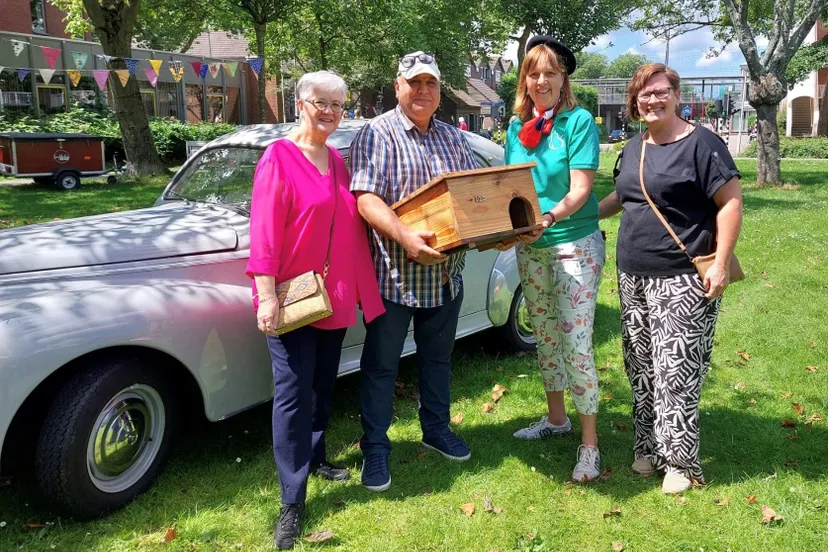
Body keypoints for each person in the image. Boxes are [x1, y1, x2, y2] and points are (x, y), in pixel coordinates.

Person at [246, 70, 384, 549]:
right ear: (299, 104)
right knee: (292, 394)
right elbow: (264, 233)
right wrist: (265, 295)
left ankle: (319, 454)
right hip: (290, 298)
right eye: (320, 102)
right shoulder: (278, 158)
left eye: (337, 105)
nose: (329, 111)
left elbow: (350, 226)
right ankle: (292, 499)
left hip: (332, 295)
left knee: (323, 384)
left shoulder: (339, 162)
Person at [598, 63, 743, 494]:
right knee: (641, 367)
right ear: (634, 101)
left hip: (682, 276)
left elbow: (730, 201)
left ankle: (680, 461)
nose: (652, 100)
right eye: (644, 94)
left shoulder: (703, 144)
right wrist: (572, 213)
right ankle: (648, 447)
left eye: (660, 92)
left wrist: (720, 262)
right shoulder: (633, 147)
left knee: (676, 369)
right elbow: (623, 198)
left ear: (676, 95)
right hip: (632, 275)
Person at [349, 51, 479, 492]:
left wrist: (500, 228)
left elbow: (476, 192)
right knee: (382, 367)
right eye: (415, 82)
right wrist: (404, 235)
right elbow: (366, 198)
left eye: (432, 84)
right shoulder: (376, 133)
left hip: (445, 277)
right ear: (398, 85)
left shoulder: (453, 137)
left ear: (440, 91)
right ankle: (375, 449)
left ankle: (436, 429)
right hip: (394, 278)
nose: (423, 91)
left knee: (438, 361)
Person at [503, 36, 606, 482]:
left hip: (573, 244)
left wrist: (548, 216)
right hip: (532, 246)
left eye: (549, 72)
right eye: (533, 72)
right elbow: (510, 187)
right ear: (524, 79)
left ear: (564, 78)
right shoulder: (515, 128)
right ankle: (557, 420)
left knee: (576, 344)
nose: (540, 79)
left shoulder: (578, 122)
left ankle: (590, 445)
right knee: (545, 337)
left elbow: (581, 188)